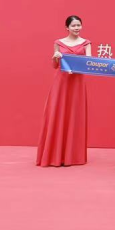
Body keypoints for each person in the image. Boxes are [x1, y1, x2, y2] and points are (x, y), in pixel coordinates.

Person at [37, 15, 91, 167]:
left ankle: (72, 156)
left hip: (77, 83)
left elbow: (88, 62)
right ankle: (55, 155)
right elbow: (55, 65)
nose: (77, 28)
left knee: (74, 115)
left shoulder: (86, 43)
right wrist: (55, 57)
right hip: (61, 83)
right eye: (73, 25)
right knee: (58, 113)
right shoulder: (58, 43)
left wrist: (78, 64)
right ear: (67, 27)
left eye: (79, 25)